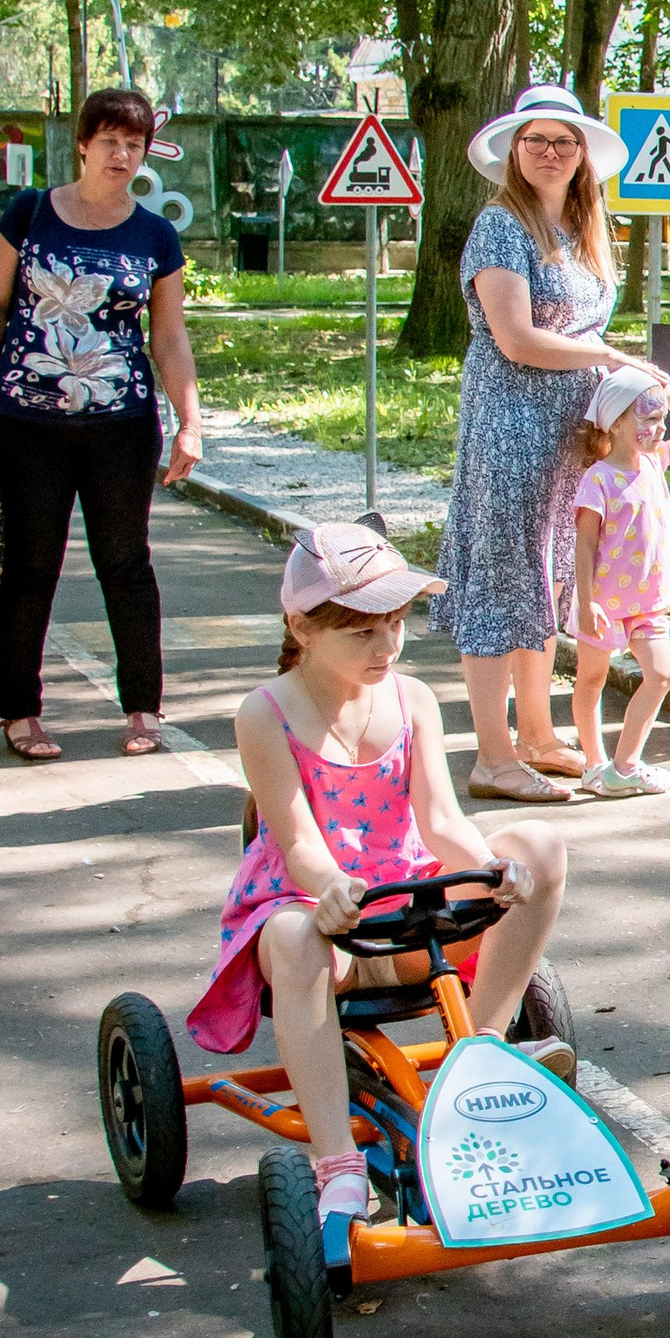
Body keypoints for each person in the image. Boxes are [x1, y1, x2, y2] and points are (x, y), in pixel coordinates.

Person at [190, 524, 570, 1259]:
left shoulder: (413, 698)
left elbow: (441, 820)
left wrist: (491, 869)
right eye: (362, 631)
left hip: (406, 907)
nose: (387, 645)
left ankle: (477, 1063)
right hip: (316, 913)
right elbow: (296, 841)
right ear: (302, 628)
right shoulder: (264, 714)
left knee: (539, 846)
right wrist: (331, 889)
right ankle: (337, 1163)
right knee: (295, 936)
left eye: (396, 623)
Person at [0, 85, 203, 763]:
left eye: (134, 144)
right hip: (23, 422)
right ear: (83, 145)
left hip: (122, 424)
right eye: (109, 141)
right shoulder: (30, 213)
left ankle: (143, 707)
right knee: (32, 563)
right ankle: (20, 712)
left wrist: (190, 420)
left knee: (126, 563)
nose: (121, 154)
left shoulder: (155, 235)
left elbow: (169, 337)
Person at [434, 81, 642, 804]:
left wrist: (616, 379)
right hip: (510, 425)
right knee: (501, 579)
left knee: (548, 573)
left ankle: (537, 735)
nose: (550, 152)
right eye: (536, 141)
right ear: (513, 151)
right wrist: (608, 356)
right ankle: (492, 756)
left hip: (568, 430)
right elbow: (517, 339)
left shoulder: (584, 232)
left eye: (564, 141)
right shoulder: (501, 226)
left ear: (582, 154)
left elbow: (581, 329)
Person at [569, 367, 670, 794]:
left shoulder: (655, 461)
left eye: (661, 418)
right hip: (603, 605)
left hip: (648, 602)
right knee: (591, 680)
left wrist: (667, 391)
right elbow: (585, 546)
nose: (660, 427)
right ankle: (595, 765)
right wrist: (587, 601)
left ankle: (624, 766)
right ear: (615, 423)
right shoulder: (598, 479)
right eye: (648, 418)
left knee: (661, 675)